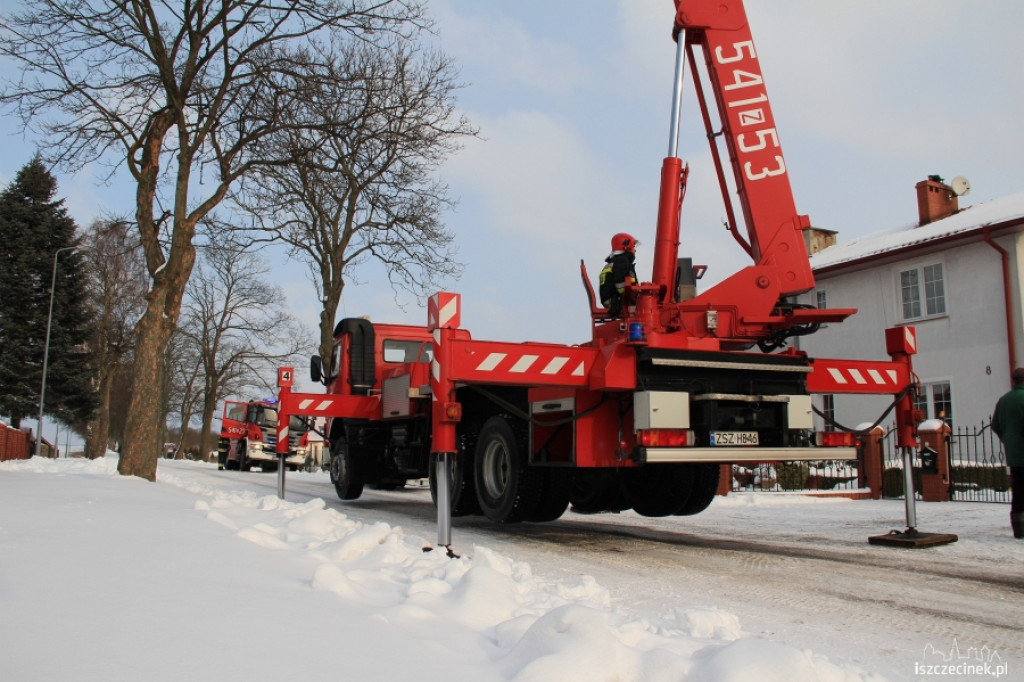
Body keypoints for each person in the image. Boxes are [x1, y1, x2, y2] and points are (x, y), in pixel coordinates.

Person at [992, 367, 1024, 539]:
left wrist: (1008, 439)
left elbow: (995, 425)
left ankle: (1019, 528)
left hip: (1014, 453)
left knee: (1018, 490)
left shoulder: (1004, 400)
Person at [599, 232, 639, 317]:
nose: (635, 250)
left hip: (612, 301)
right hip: (616, 303)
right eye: (633, 246)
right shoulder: (622, 261)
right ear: (626, 246)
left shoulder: (616, 261)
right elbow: (621, 286)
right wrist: (636, 297)